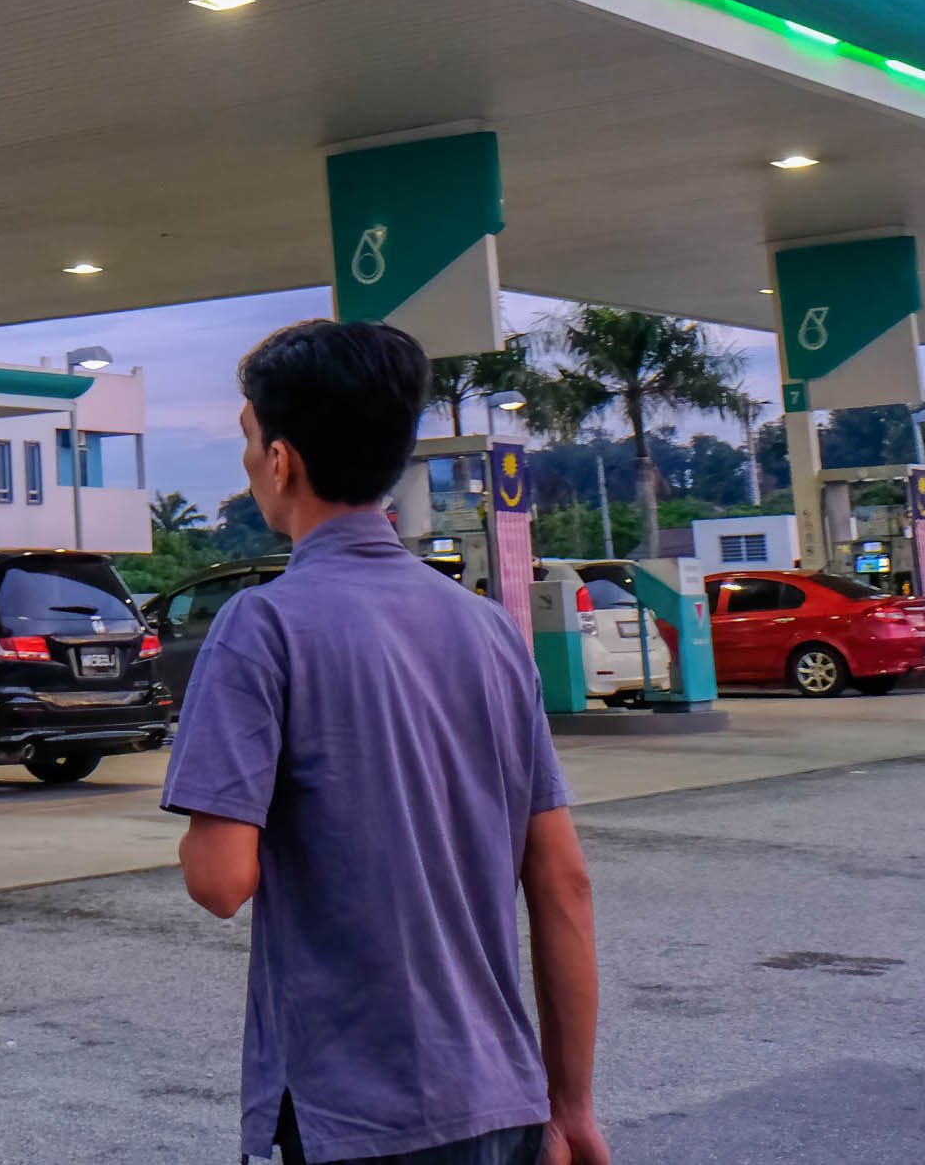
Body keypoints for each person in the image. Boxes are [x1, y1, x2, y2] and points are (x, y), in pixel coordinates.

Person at [167, 319, 605, 1165]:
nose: (250, 460)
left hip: (352, 1117)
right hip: (502, 1103)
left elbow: (221, 880)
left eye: (249, 439)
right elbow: (564, 883)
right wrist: (572, 1105)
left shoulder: (260, 627)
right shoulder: (489, 631)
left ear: (283, 459)